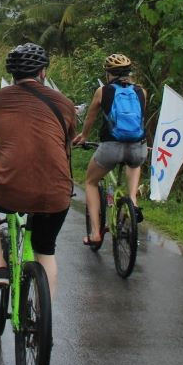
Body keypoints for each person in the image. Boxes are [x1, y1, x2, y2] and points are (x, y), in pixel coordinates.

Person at [0, 43, 76, 296]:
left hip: (10, 189)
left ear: (11, 73)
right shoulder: (64, 104)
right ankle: (44, 324)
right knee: (45, 251)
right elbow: (65, 150)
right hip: (57, 193)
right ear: (43, 71)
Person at [72, 53, 148, 247]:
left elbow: (90, 118)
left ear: (109, 74)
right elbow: (139, 120)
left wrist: (84, 136)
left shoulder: (103, 91)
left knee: (90, 182)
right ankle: (132, 199)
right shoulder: (142, 91)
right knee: (135, 163)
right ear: (129, 73)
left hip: (110, 147)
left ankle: (96, 233)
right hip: (137, 147)